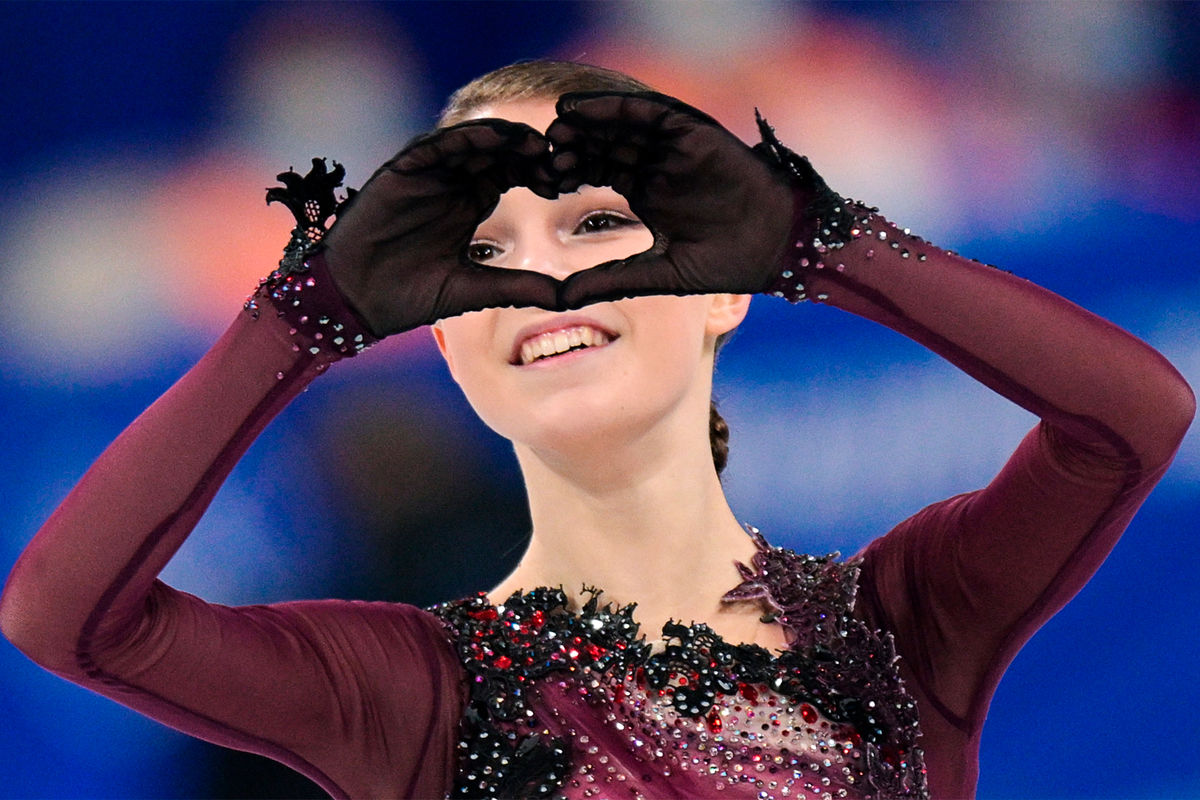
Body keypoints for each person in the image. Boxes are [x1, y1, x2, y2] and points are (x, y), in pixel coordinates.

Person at [0, 60, 1192, 800]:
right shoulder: (412, 692)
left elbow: (1133, 418)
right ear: (454, 347)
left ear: (723, 286)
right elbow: (66, 615)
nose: (545, 279)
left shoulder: (898, 623)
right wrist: (297, 321)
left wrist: (827, 241)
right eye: (483, 252)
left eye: (598, 225)